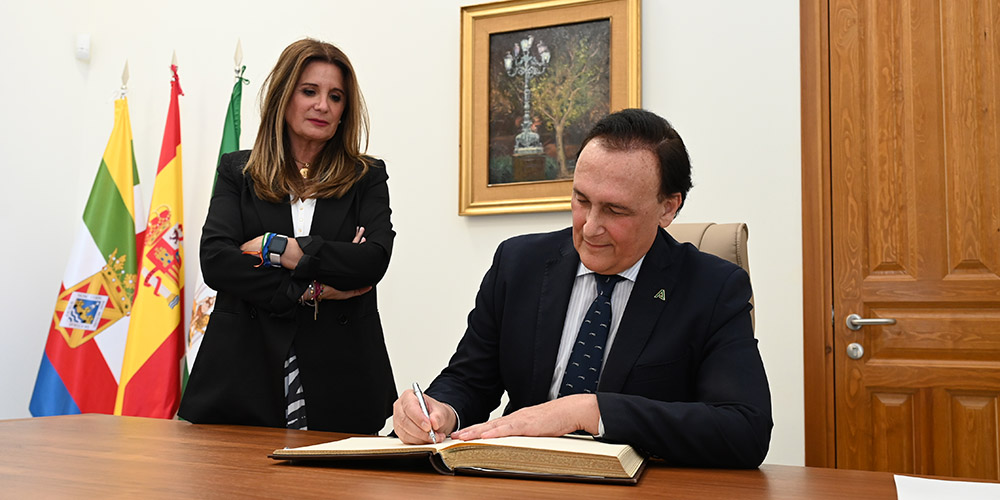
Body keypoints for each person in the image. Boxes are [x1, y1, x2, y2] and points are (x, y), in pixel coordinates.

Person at [393, 109, 771, 468]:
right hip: (518, 480)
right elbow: (469, 380)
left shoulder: (712, 288)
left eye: (615, 210)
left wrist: (591, 411)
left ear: (668, 208)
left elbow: (744, 429)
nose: (590, 227)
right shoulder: (519, 263)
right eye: (581, 200)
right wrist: (439, 409)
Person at [180, 39, 395, 434]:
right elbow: (217, 260)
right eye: (309, 91)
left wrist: (282, 249)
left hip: (342, 373)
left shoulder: (367, 176)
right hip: (243, 370)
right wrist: (311, 289)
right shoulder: (238, 171)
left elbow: (373, 261)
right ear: (284, 95)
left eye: (335, 96)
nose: (323, 106)